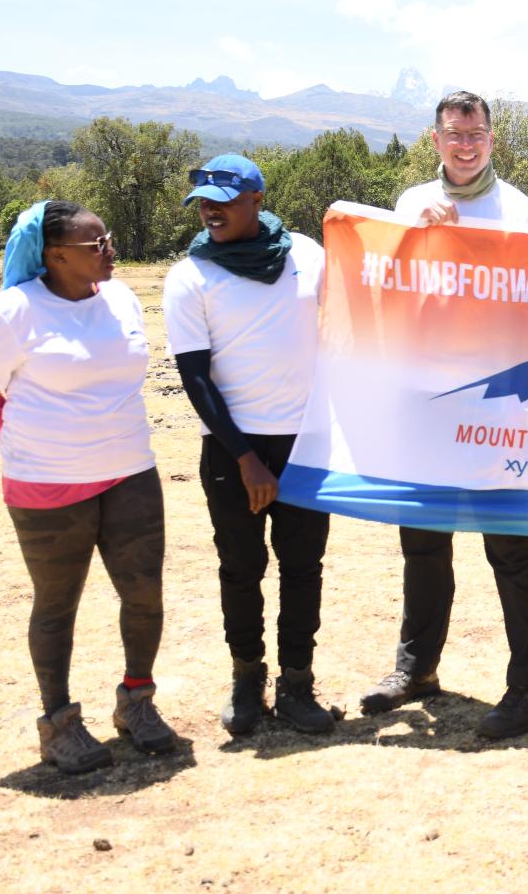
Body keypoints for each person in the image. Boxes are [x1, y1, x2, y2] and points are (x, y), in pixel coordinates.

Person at [363, 91, 528, 740]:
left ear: (492, 140)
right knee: (422, 541)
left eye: (475, 135)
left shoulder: (519, 211)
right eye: (454, 134)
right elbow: (382, 289)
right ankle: (416, 668)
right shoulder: (410, 205)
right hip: (425, 401)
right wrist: (414, 240)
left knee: (508, 544)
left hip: (496, 403)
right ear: (436, 139)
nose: (465, 146)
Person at [0, 201, 176, 773]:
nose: (109, 249)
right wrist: (30, 442)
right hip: (48, 481)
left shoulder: (120, 298)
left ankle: (137, 700)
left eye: (108, 238)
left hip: (130, 469)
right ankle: (58, 724)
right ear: (55, 256)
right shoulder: (12, 312)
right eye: (96, 244)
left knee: (144, 593)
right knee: (56, 604)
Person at [164, 155, 336, 735]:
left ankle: (297, 684)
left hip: (306, 442)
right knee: (240, 567)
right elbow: (195, 378)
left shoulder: (306, 255)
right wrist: (245, 458)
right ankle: (246, 678)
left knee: (303, 567)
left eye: (224, 202)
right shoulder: (191, 276)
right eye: (203, 204)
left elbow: (359, 308)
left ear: (257, 201)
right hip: (232, 450)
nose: (210, 212)